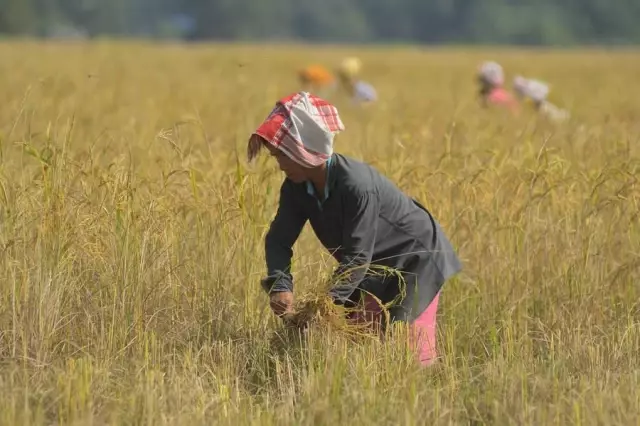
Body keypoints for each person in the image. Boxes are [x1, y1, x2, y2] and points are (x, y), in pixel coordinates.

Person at [247, 91, 462, 366]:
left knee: (410, 347)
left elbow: (358, 256)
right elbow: (278, 239)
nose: (279, 165)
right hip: (372, 266)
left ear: (303, 150)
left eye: (282, 156)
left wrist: (324, 305)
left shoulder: (356, 185)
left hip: (418, 258)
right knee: (360, 340)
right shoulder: (296, 188)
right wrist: (280, 284)